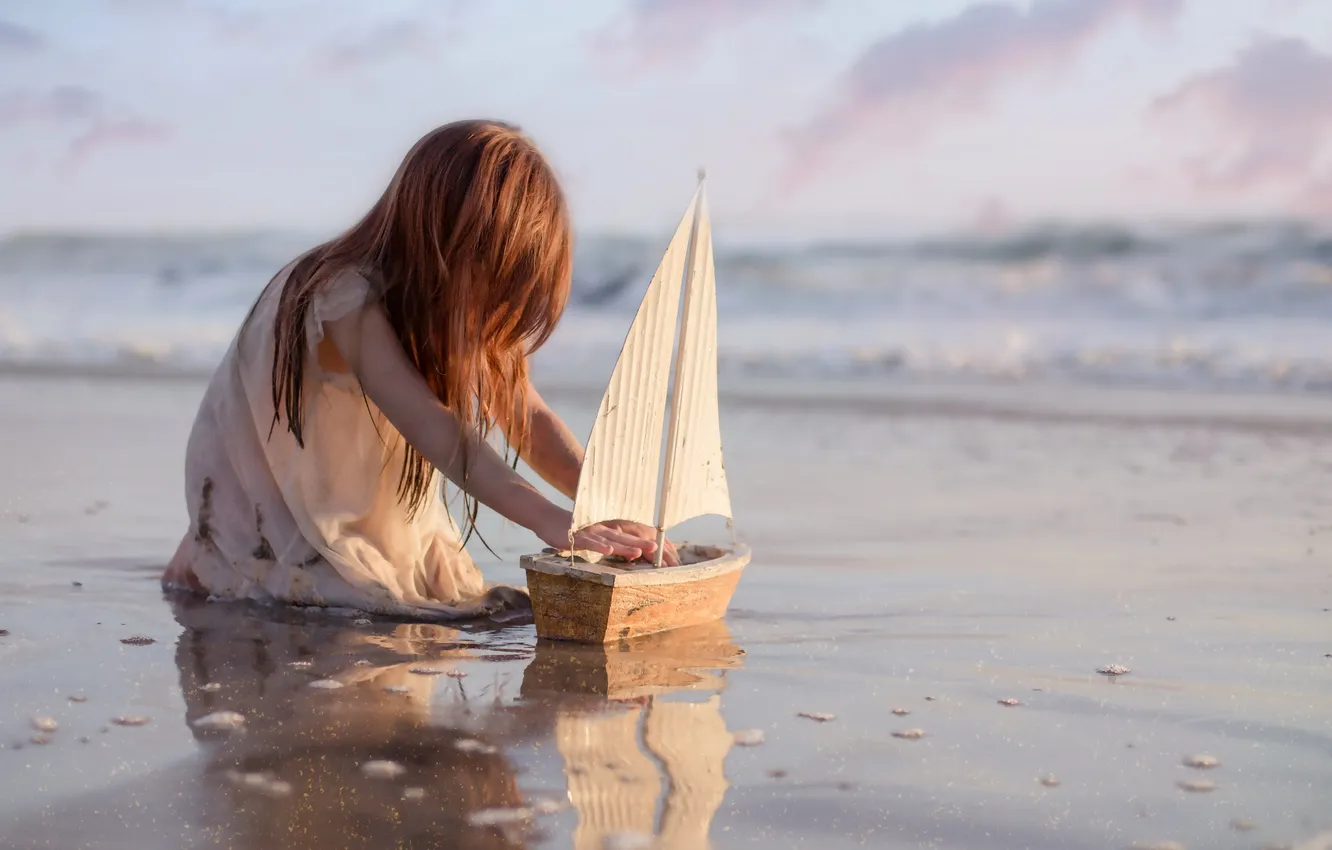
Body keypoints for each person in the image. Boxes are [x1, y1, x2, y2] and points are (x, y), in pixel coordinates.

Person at [163, 119, 677, 620]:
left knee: (443, 600)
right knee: (346, 609)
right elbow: (432, 425)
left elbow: (528, 418)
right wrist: (550, 520)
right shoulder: (343, 296)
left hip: (361, 507)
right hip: (273, 507)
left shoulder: (453, 306)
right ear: (439, 244)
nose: (489, 309)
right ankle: (208, 566)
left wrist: (604, 506)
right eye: (491, 279)